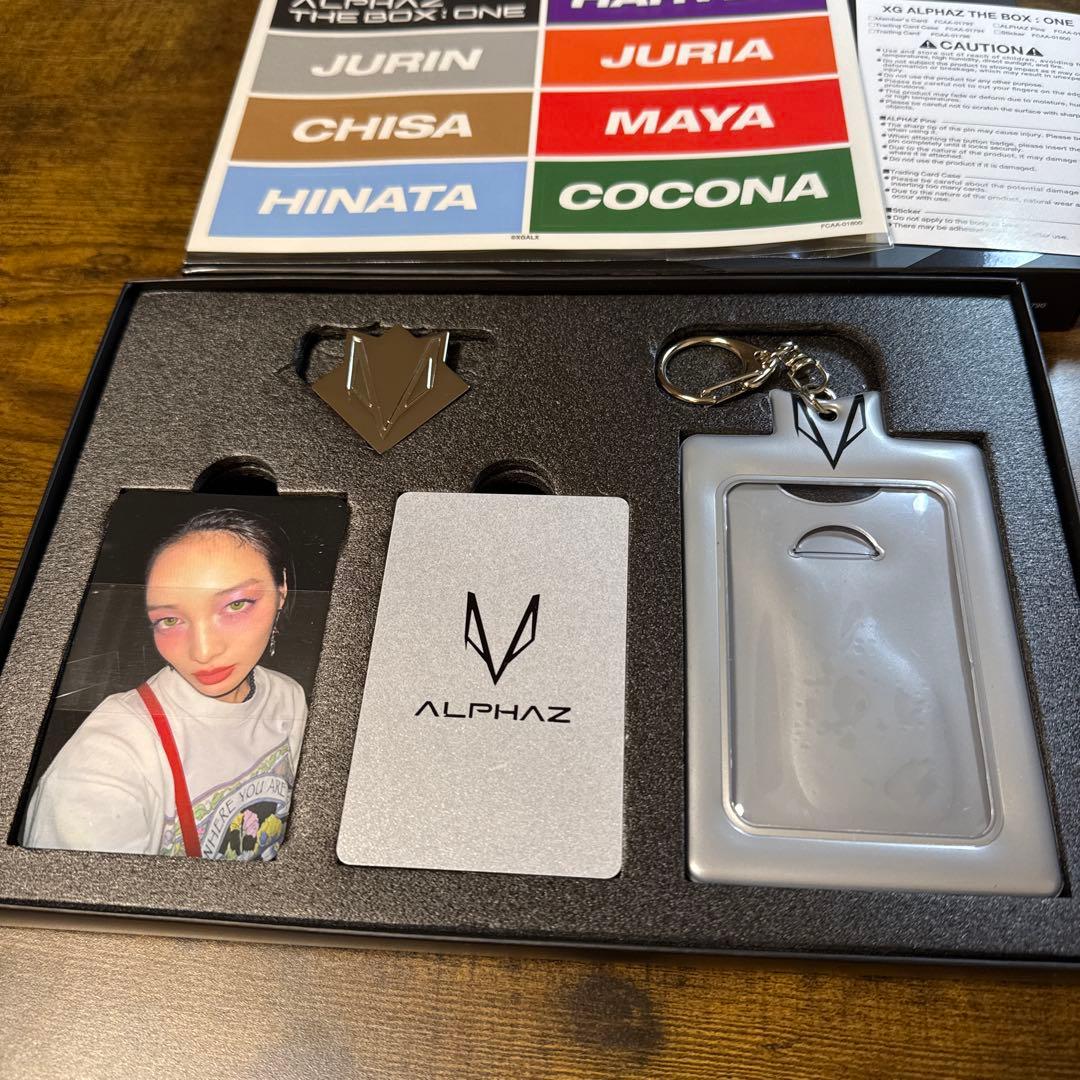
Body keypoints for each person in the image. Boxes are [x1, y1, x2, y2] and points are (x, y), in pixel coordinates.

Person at [23, 508, 307, 861]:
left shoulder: (289, 697)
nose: (203, 652)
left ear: (281, 590)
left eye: (236, 604)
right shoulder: (106, 758)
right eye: (169, 620)